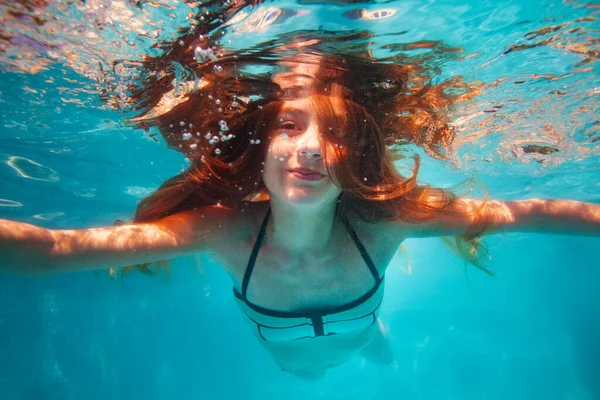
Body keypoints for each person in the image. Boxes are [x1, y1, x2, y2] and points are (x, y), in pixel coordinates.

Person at [1, 43, 599, 381]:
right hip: (290, 361)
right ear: (260, 151)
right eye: (289, 126)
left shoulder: (383, 223)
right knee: (307, 374)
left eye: (335, 135)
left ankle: (376, 340)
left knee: (375, 348)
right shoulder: (226, 232)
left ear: (356, 160)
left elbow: (529, 213)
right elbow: (54, 251)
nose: (310, 147)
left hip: (361, 331)